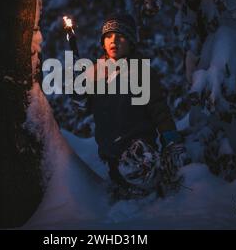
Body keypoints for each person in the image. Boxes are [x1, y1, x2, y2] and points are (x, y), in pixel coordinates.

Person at [72, 13, 190, 199]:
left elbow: (159, 109)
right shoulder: (94, 72)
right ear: (103, 43)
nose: (114, 41)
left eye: (121, 36)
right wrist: (77, 89)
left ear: (131, 42)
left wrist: (170, 137)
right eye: (109, 37)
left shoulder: (141, 71)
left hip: (139, 148)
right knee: (121, 188)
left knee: (143, 191)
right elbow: (83, 106)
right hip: (111, 152)